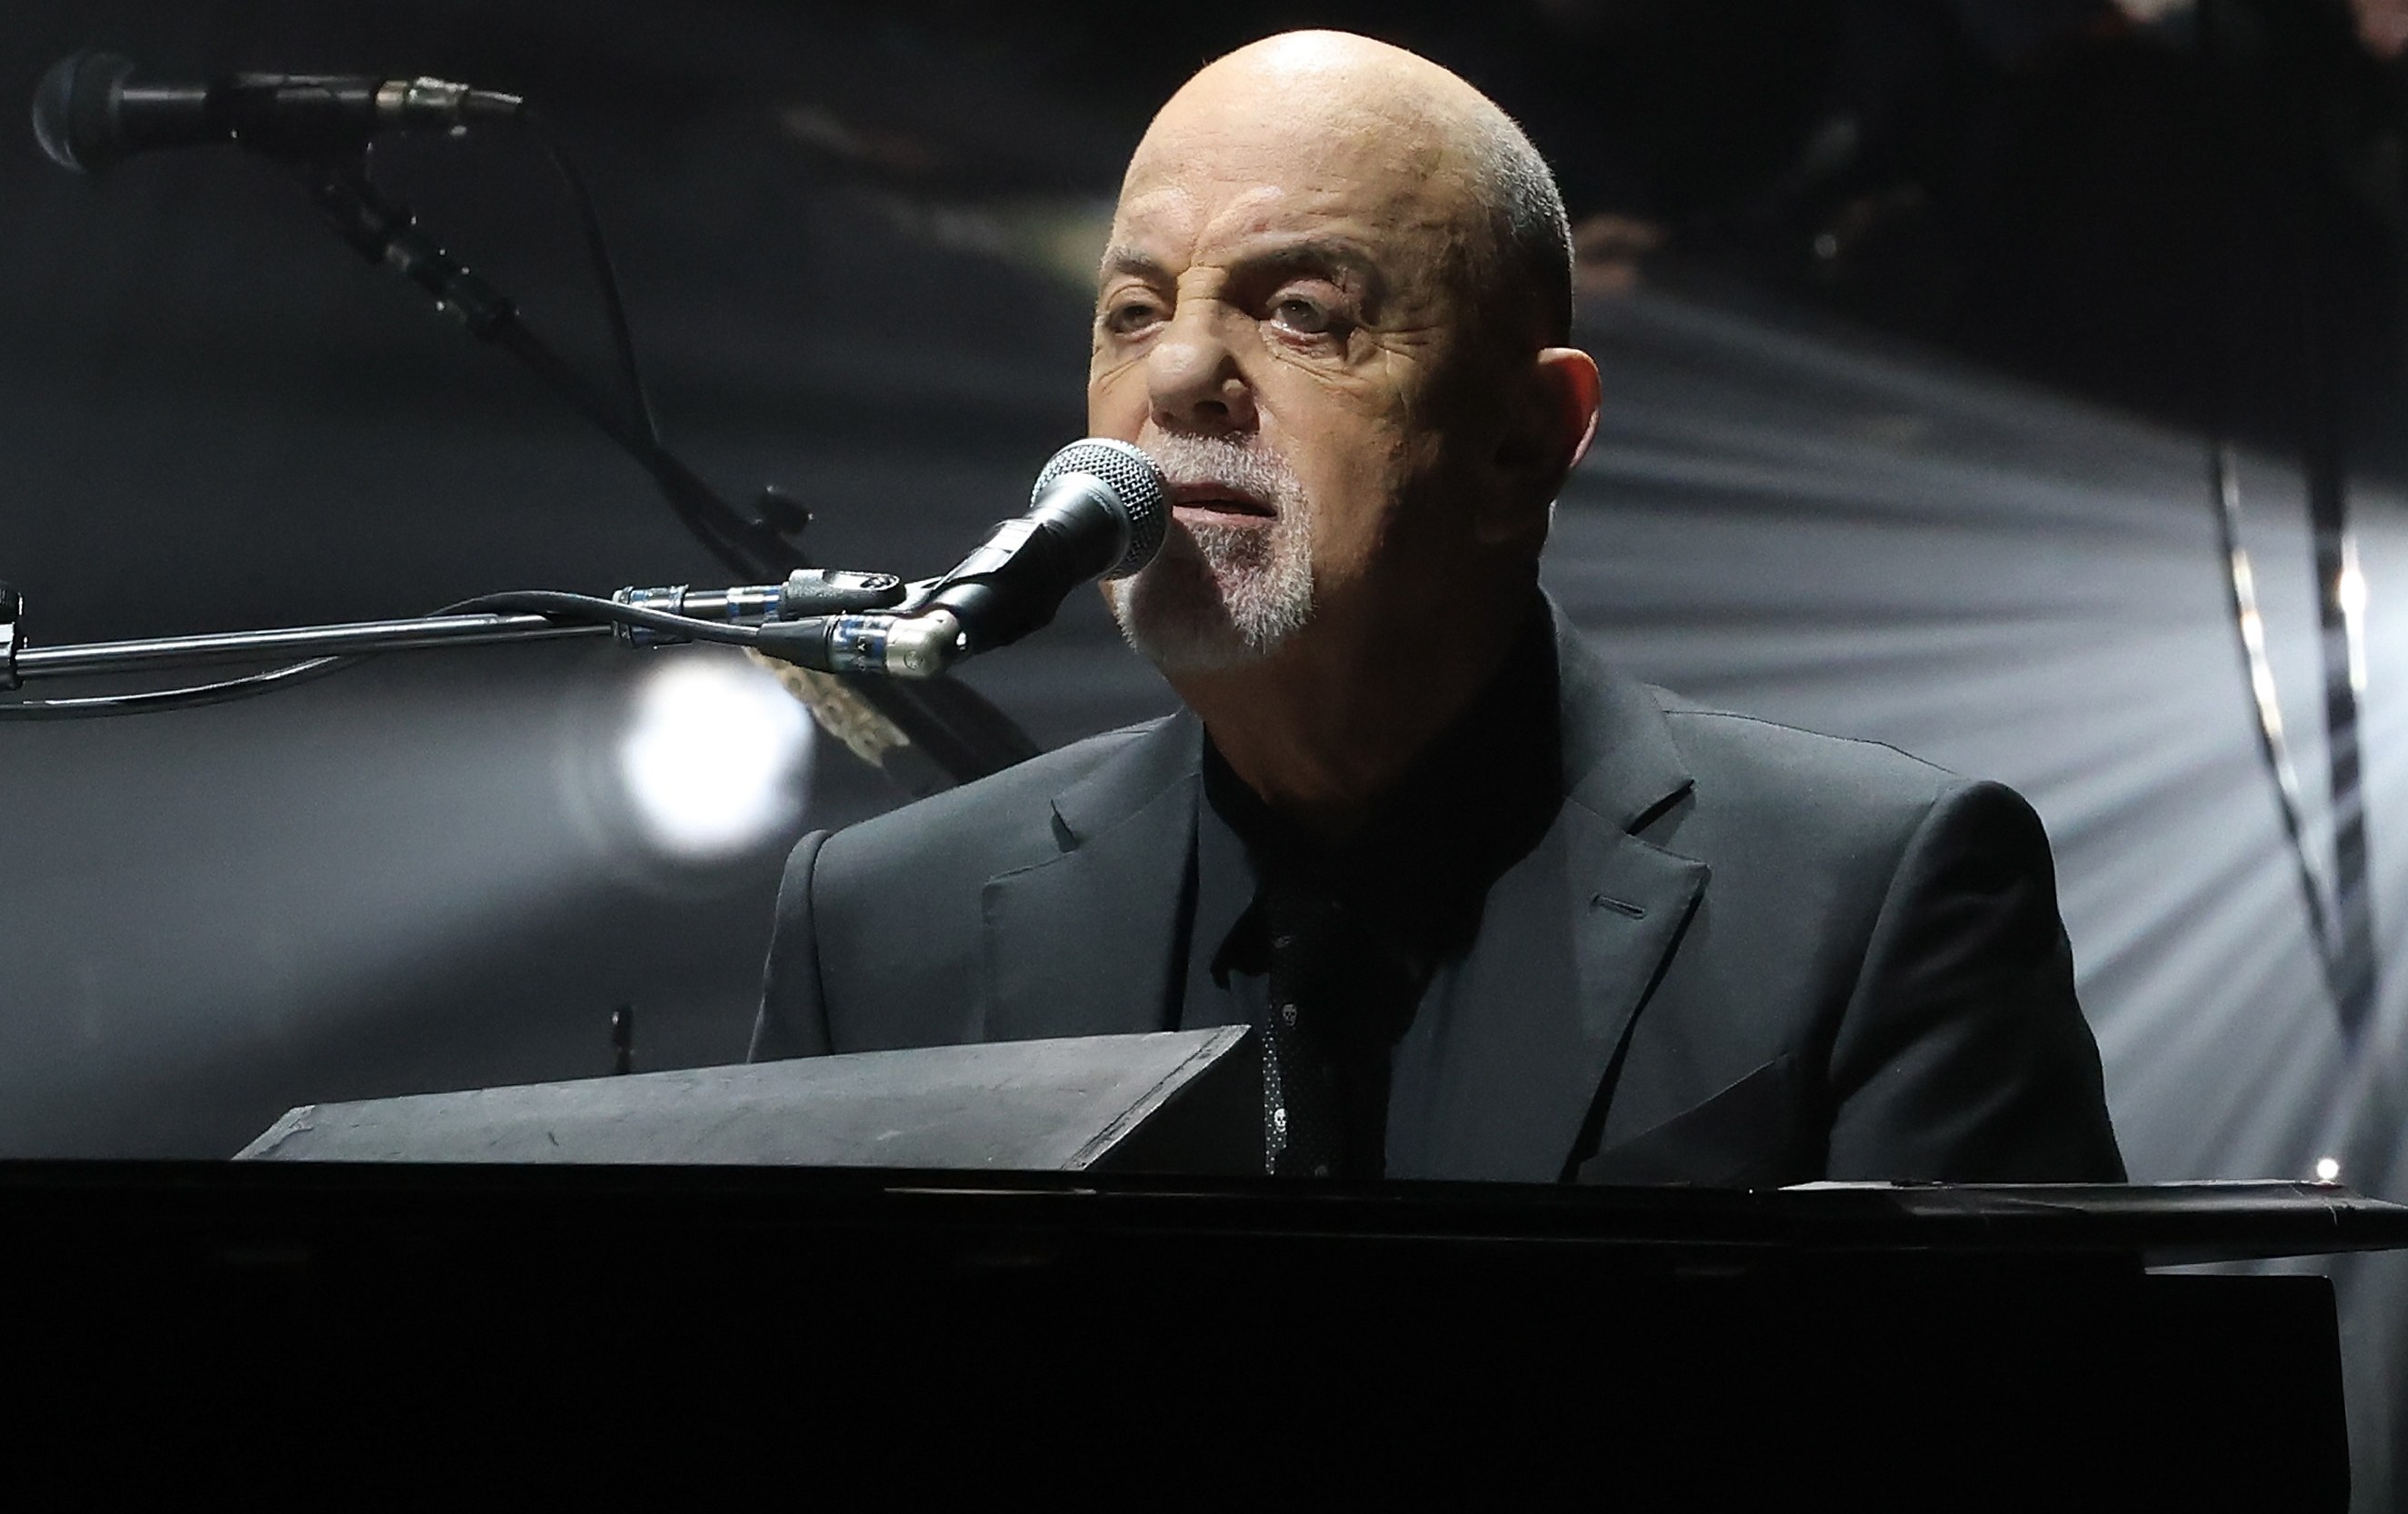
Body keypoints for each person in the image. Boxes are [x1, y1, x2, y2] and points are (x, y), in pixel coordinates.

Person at [751, 30, 2124, 1188]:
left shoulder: (1876, 901)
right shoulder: (877, 932)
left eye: (1298, 309)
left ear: (1527, 437)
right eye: (1130, 311)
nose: (1175, 373)